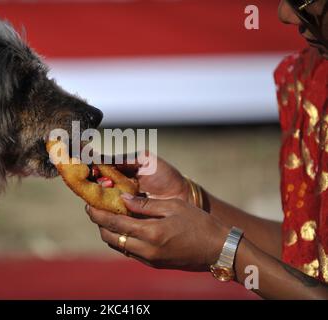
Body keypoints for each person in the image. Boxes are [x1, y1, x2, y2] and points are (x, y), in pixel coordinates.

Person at [85, 0, 328, 299]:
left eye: (306, 1)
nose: (285, 14)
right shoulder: (316, 79)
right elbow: (309, 253)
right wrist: (192, 200)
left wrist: (224, 253)